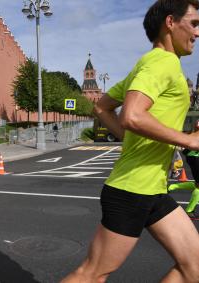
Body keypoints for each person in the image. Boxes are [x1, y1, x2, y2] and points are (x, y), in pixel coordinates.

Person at [61, 1, 199, 282]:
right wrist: (189, 140)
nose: (197, 33)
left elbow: (101, 107)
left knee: (194, 266)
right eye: (194, 24)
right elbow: (133, 115)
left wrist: (131, 140)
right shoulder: (163, 62)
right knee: (93, 273)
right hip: (132, 189)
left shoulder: (145, 64)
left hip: (154, 189)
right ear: (170, 23)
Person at [169, 120, 199, 219]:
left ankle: (173, 186)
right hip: (195, 157)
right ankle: (190, 211)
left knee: (197, 184)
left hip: (193, 155)